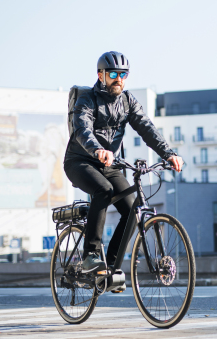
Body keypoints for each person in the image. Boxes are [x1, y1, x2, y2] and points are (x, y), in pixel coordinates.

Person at [63, 51, 183, 273]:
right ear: (101, 75)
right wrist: (97, 149)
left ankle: (111, 265)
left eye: (124, 74)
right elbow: (82, 129)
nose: (119, 78)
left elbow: (147, 128)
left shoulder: (128, 101)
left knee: (130, 209)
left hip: (108, 165)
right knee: (103, 190)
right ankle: (90, 255)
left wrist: (168, 154)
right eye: (114, 73)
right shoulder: (87, 99)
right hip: (79, 161)